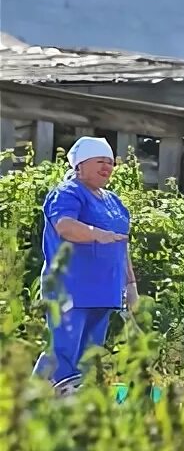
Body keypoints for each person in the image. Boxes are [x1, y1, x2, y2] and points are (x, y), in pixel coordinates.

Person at [32, 136, 139, 396]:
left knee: (91, 351)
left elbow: (121, 246)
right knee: (63, 346)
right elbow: (65, 226)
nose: (107, 167)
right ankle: (41, 399)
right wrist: (95, 233)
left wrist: (131, 284)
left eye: (111, 163)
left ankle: (58, 400)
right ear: (80, 165)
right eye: (100, 161)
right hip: (71, 286)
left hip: (104, 290)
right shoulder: (68, 192)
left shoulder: (114, 202)